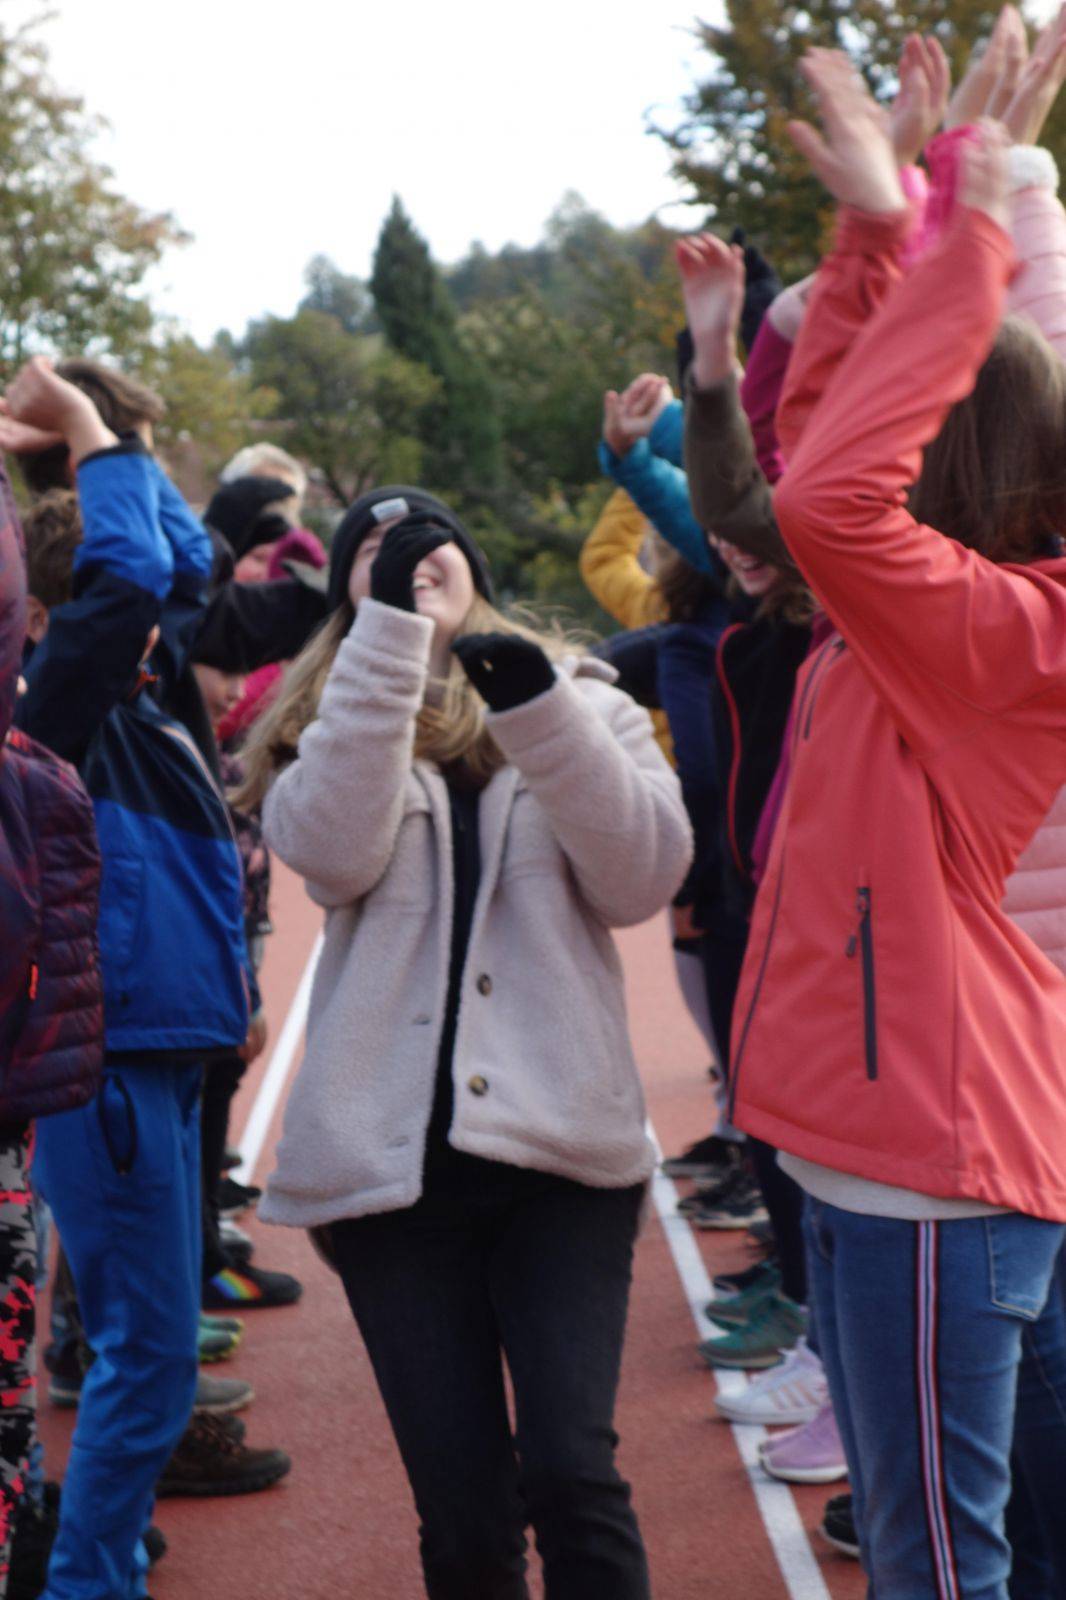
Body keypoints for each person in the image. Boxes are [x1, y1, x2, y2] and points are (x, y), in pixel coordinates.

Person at [727, 40, 1066, 1597]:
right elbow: (817, 453)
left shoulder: (995, 631)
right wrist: (885, 230)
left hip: (932, 1172)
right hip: (904, 1155)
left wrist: (968, 227)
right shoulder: (917, 619)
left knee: (936, 1568)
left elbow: (823, 493)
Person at [233, 483, 692, 1599]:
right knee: (468, 1519)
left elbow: (642, 876)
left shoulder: (579, 696)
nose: (403, 557)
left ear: (471, 564)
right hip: (393, 1180)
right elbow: (334, 853)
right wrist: (389, 646)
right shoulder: (321, 725)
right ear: (347, 592)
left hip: (562, 1156)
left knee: (574, 1474)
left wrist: (533, 704)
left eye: (425, 540)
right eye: (372, 551)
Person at [7, 356, 287, 1598]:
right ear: (41, 618)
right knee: (145, 1350)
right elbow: (129, 580)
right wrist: (87, 433)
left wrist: (108, 434)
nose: (150, 628)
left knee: (155, 1351)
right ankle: (87, 1577)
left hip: (164, 1051)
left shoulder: (139, 699)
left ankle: (94, 1557)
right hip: (106, 1067)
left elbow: (180, 566)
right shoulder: (49, 711)